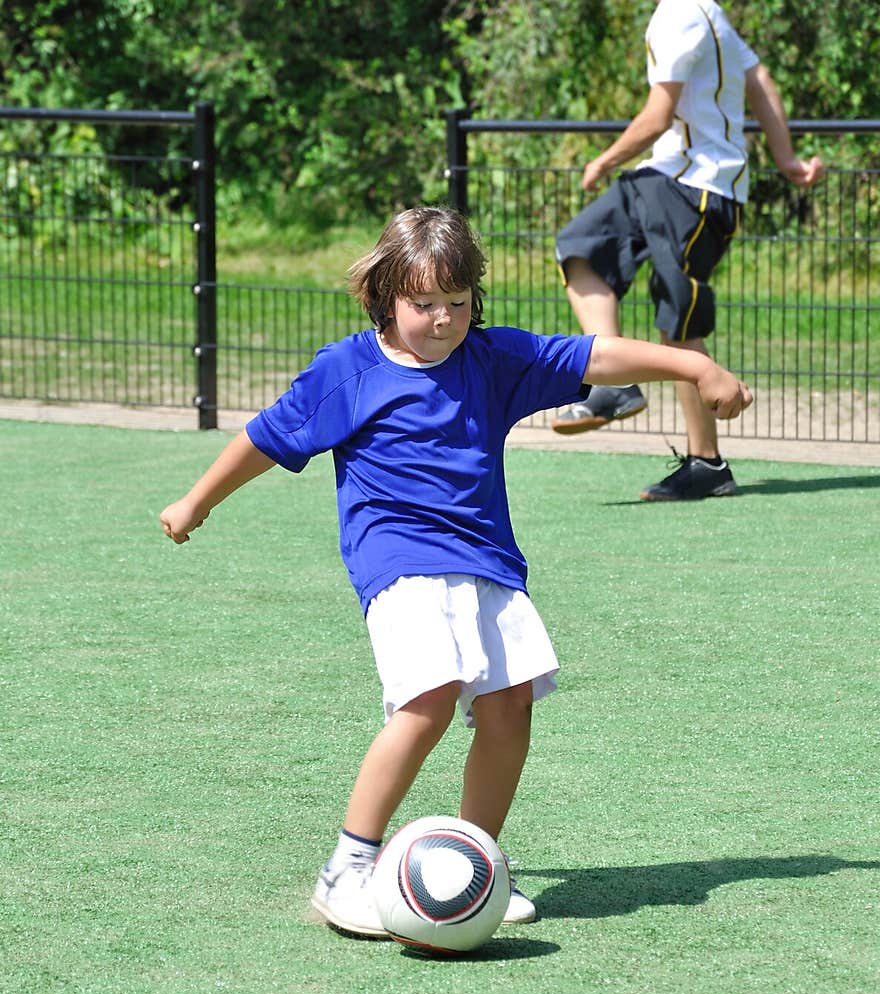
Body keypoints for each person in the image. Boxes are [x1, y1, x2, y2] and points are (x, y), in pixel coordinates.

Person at [159, 205, 752, 939]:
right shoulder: (346, 371)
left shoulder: (492, 360)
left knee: (509, 708)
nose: (443, 319)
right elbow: (263, 437)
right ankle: (347, 868)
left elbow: (594, 357)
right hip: (398, 558)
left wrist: (694, 364)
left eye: (458, 303)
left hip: (488, 560)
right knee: (431, 695)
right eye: (424, 304)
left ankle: (474, 865)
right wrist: (196, 501)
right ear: (383, 296)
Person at [553, 0, 824, 501]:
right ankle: (613, 383)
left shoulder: (680, 14)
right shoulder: (707, 11)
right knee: (580, 245)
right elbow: (759, 78)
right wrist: (784, 157)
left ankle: (707, 464)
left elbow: (657, 116)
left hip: (698, 190)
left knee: (678, 323)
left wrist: (604, 161)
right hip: (666, 180)